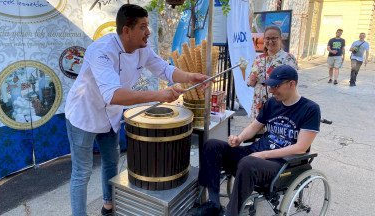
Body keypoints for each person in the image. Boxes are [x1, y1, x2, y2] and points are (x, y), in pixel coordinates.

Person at [65, 4, 209, 216]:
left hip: (110, 116)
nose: (148, 32)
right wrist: (158, 96)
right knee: (82, 172)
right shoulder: (102, 51)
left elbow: (164, 69)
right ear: (126, 30)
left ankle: (109, 205)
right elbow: (113, 95)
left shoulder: (143, 48)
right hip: (84, 114)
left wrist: (189, 77)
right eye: (143, 27)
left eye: (148, 26)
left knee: (111, 162)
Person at [188, 65, 321, 216]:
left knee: (248, 162)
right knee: (211, 145)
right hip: (254, 154)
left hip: (281, 164)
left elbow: (301, 148)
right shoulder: (272, 103)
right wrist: (239, 138)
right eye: (270, 86)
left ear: (292, 84)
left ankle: (231, 213)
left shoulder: (310, 109)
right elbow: (255, 126)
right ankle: (214, 204)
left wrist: (263, 155)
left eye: (276, 86)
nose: (271, 90)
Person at [247, 25, 298, 119]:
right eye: (267, 38)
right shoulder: (258, 59)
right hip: (259, 102)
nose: (270, 41)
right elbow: (250, 82)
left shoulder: (288, 58)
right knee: (257, 131)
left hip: (278, 102)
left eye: (274, 38)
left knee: (275, 130)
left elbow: (292, 83)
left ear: (280, 39)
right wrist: (251, 80)